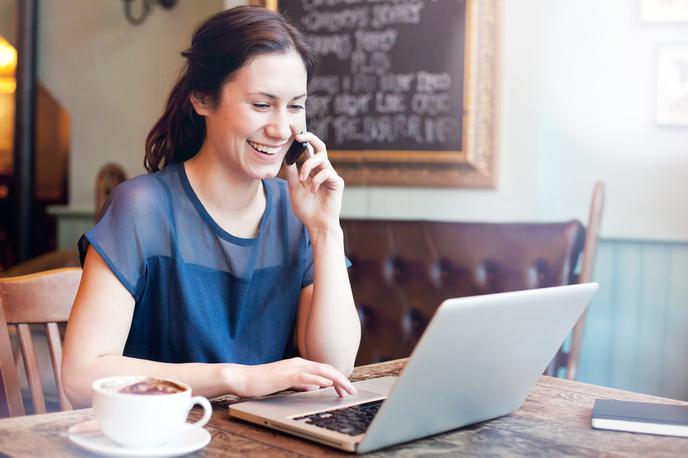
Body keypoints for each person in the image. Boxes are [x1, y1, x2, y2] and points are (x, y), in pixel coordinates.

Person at [62, 6, 361, 408]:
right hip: (163, 438)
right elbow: (80, 377)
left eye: (295, 106)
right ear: (202, 99)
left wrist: (325, 231)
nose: (281, 129)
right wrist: (236, 378)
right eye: (261, 104)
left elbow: (335, 367)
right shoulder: (142, 209)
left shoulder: (295, 213)